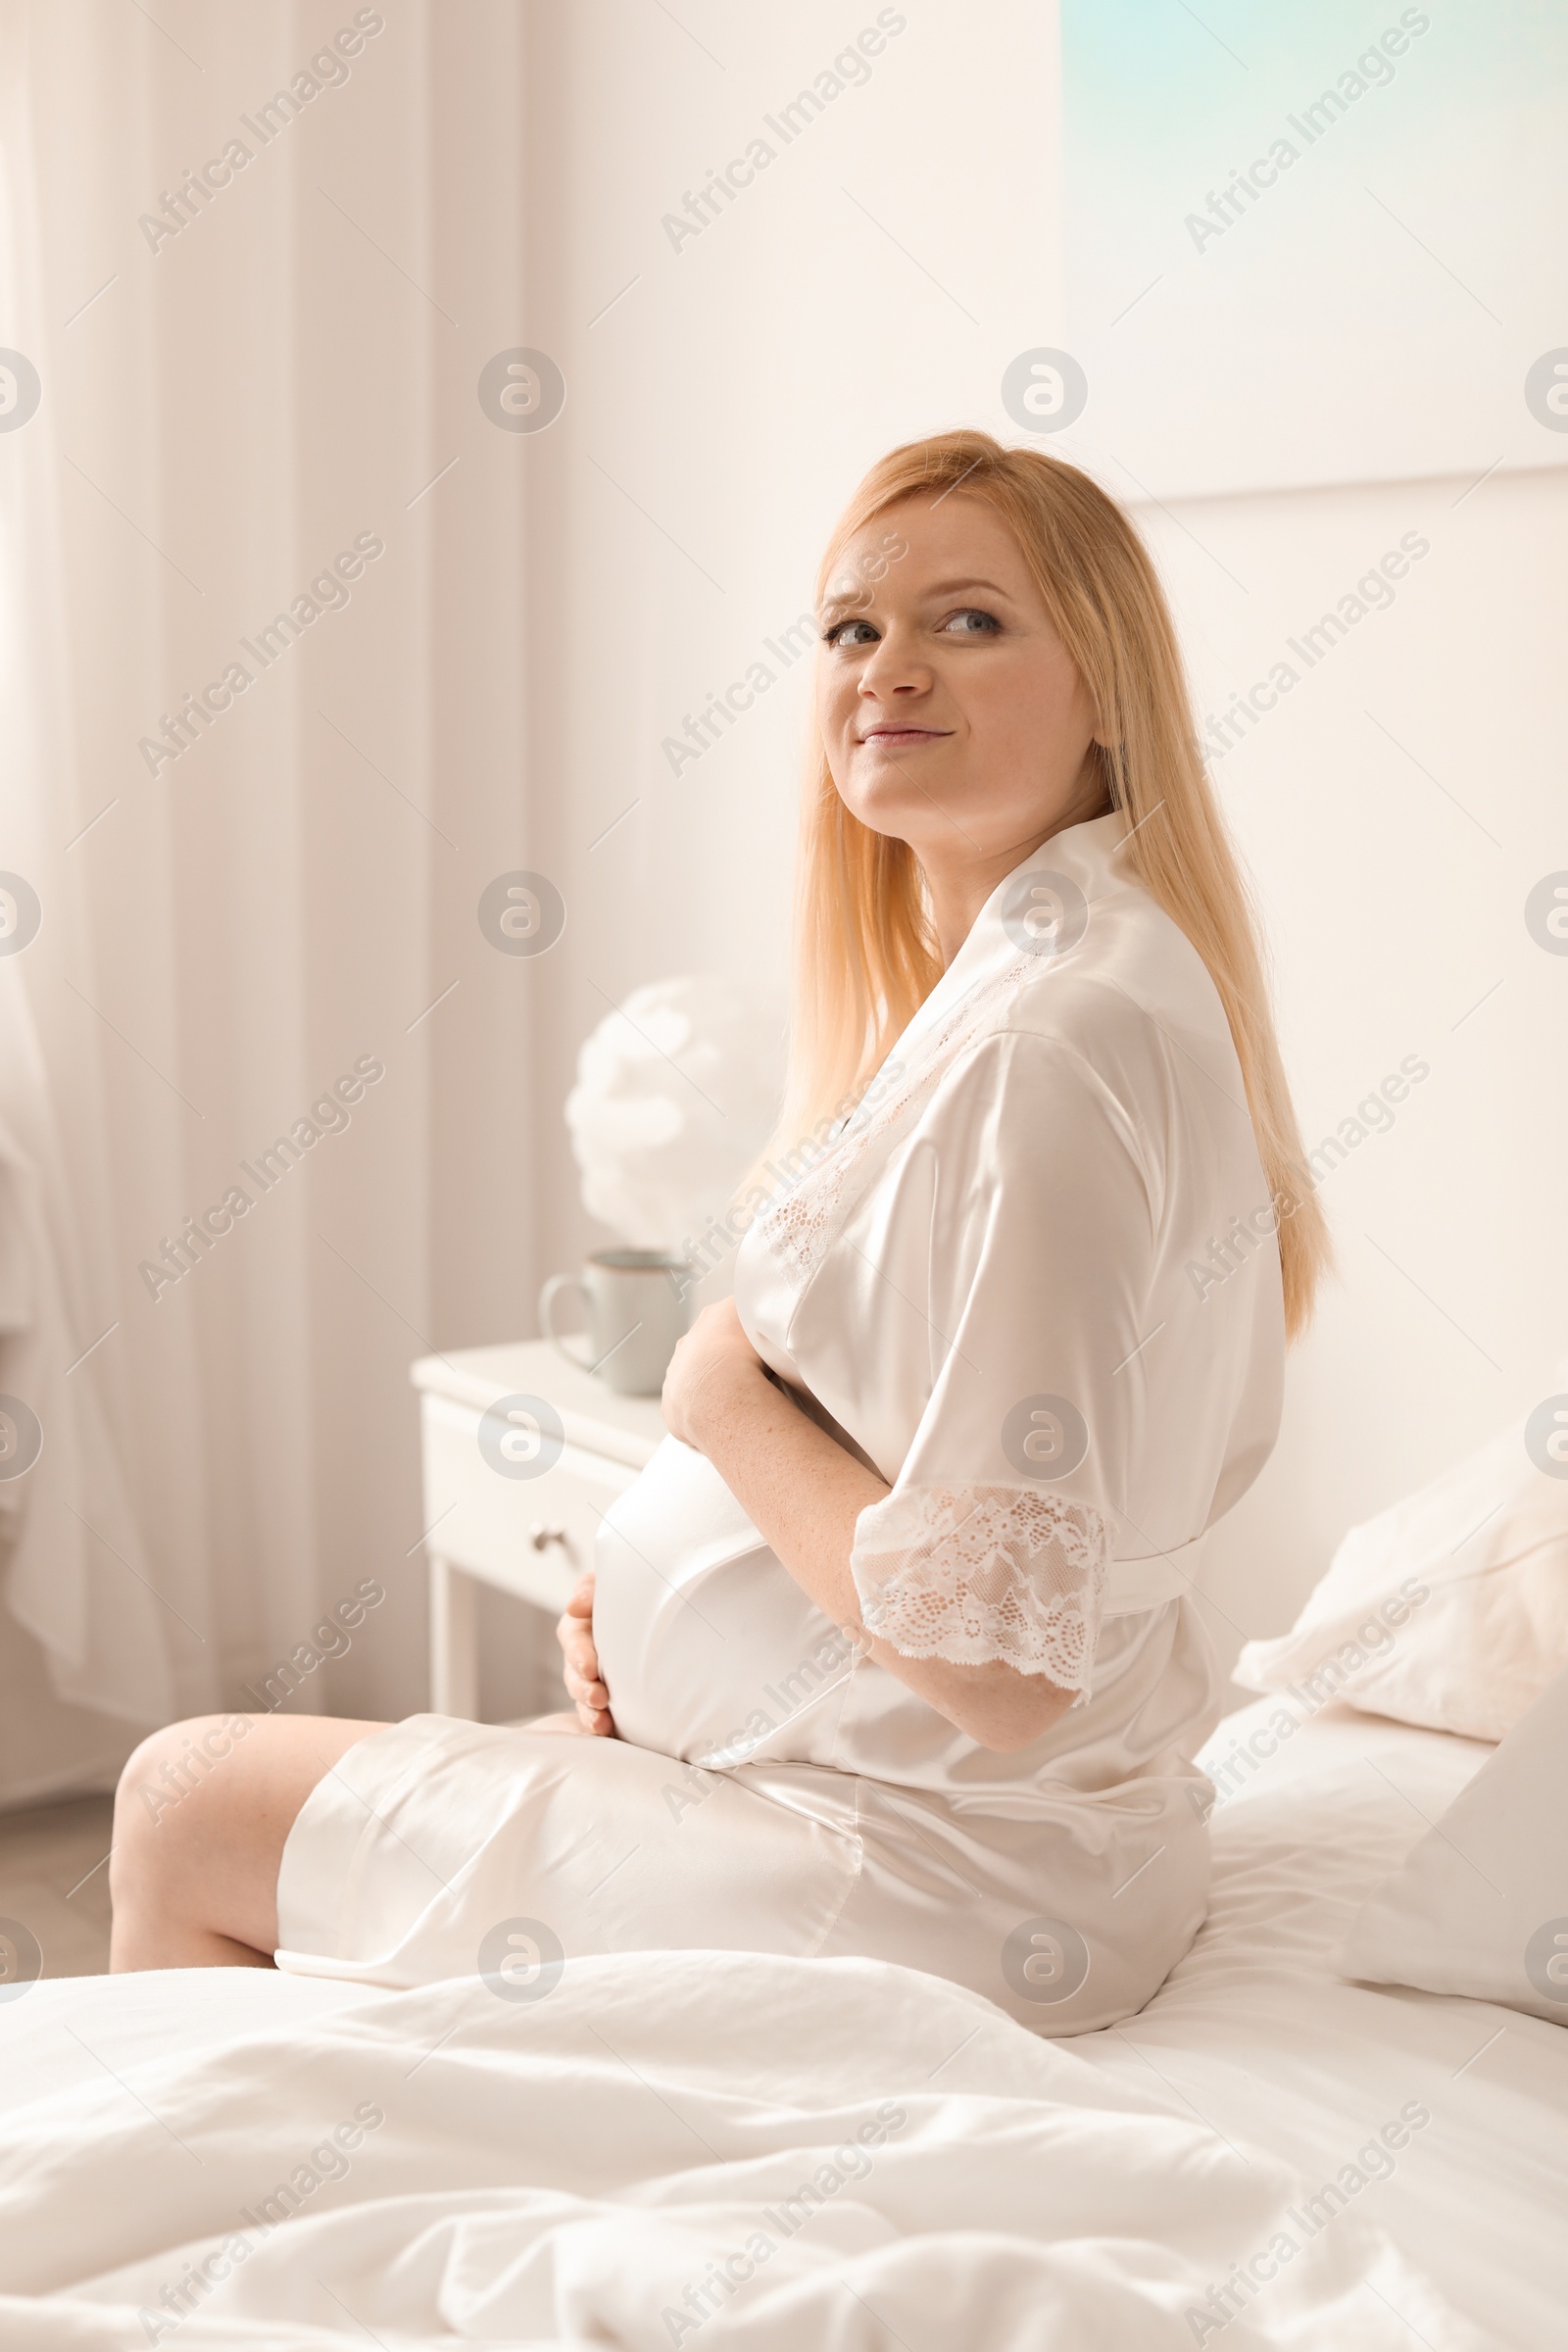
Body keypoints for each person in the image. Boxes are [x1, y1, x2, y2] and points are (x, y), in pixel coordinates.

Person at [109, 429, 1331, 2032]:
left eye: (969, 620)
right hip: (904, 1814)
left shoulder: (1047, 1043)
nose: (889, 667)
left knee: (184, 1797)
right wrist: (666, 1614)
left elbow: (996, 1668)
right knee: (325, 1814)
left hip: (930, 1873)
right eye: (851, 628)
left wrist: (711, 1403)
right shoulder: (1044, 976)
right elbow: (932, 1472)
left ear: (1109, 687)